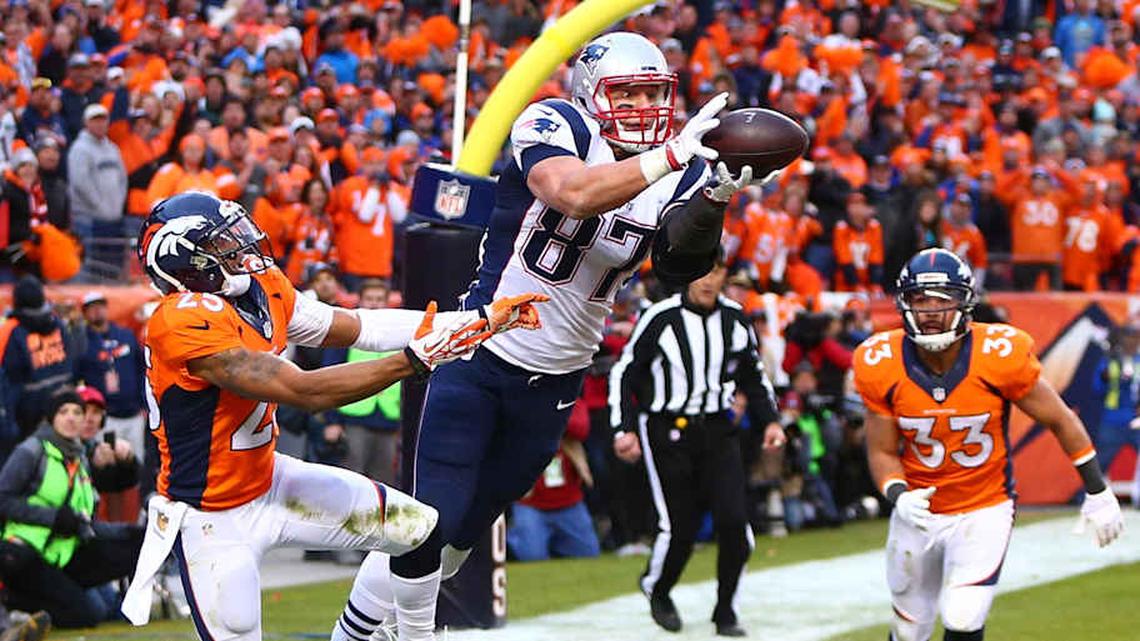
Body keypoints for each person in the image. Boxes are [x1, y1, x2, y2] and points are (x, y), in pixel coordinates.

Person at [331, 31, 770, 641]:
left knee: (463, 532)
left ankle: (368, 630)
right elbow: (572, 192)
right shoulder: (558, 122)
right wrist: (669, 158)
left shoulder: (681, 165)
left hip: (557, 379)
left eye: (653, 93)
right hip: (481, 352)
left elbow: (680, 264)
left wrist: (715, 197)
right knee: (430, 520)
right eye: (630, 92)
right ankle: (373, 635)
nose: (645, 107)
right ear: (592, 92)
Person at [118, 192, 545, 641]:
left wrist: (474, 321)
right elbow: (304, 391)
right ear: (185, 262)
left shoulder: (261, 287)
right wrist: (413, 362)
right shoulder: (180, 321)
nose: (242, 250)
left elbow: (359, 325)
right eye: (222, 245)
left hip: (270, 478)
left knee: (418, 529)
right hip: (213, 515)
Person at [853, 248, 1125, 641]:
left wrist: (1097, 490)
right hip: (919, 512)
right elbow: (881, 450)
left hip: (983, 508)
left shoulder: (998, 354)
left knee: (963, 616)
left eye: (942, 300)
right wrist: (899, 494)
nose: (930, 311)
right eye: (920, 300)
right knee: (908, 630)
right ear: (904, 303)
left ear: (965, 304)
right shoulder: (881, 361)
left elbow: (1060, 419)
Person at [609, 256, 782, 637]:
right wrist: (622, 427)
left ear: (725, 275)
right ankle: (659, 588)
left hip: (718, 429)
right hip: (668, 430)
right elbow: (626, 372)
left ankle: (725, 612)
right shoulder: (661, 317)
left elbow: (753, 376)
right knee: (680, 527)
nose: (707, 280)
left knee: (736, 524)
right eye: (701, 270)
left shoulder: (735, 319)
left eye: (716, 271)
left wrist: (770, 420)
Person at [0, 388, 144, 628]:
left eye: (78, 412)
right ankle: (13, 602)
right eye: (63, 411)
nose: (71, 417)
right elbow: (3, 499)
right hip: (24, 551)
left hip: (64, 551)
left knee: (136, 543)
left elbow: (119, 483)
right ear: (51, 418)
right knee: (88, 615)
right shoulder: (32, 451)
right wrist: (53, 518)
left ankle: (44, 603)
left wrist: (128, 461)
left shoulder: (81, 455)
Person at [506, 400, 599, 562]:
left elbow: (581, 428)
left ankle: (551, 542)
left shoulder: (571, 399)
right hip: (531, 503)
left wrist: (544, 415)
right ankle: (510, 537)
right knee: (532, 557)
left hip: (569, 503)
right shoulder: (520, 396)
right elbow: (515, 423)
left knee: (589, 554)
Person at [76, 291, 146, 458]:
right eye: (91, 308)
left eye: (100, 306)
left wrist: (144, 403)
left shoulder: (126, 335)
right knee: (107, 460)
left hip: (134, 414)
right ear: (85, 314)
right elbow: (76, 379)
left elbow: (142, 369)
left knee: (135, 459)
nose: (97, 311)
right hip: (106, 417)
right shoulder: (82, 343)